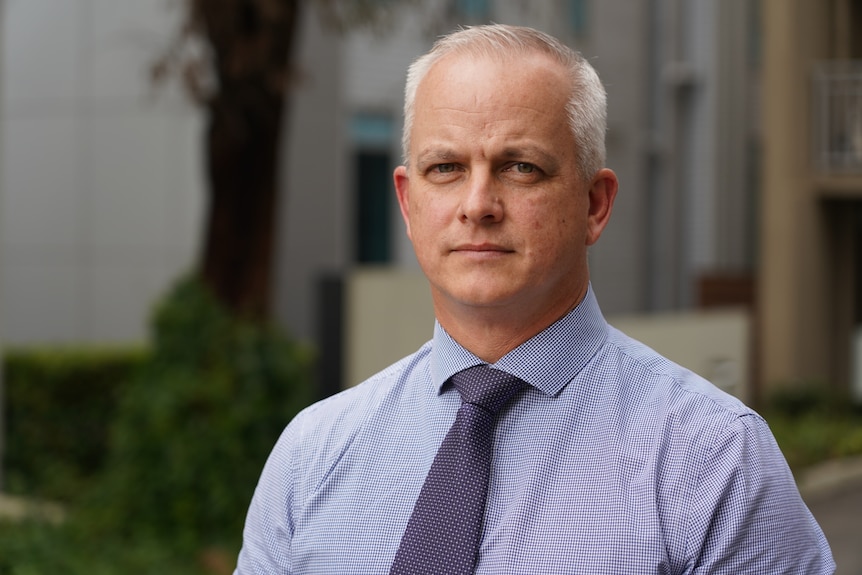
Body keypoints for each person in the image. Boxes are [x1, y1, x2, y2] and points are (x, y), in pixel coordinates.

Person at [235, 24, 835, 574]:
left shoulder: (714, 459)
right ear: (407, 202)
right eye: (445, 167)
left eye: (521, 167)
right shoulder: (312, 453)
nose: (478, 204)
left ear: (595, 205)